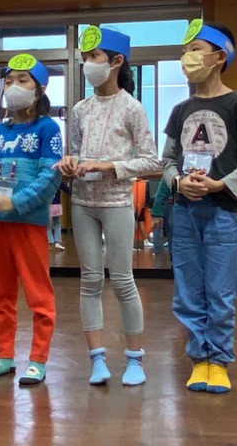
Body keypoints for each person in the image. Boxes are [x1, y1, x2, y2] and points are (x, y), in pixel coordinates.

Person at [161, 19, 237, 394]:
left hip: (223, 210)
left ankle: (219, 361)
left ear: (219, 57)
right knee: (187, 289)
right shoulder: (180, 110)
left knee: (221, 289)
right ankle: (199, 359)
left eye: (195, 50)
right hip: (183, 211)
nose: (186, 58)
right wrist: (178, 182)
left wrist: (223, 184)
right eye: (184, 52)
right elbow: (167, 160)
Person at [59, 25, 162, 387]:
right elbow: (74, 152)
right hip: (82, 203)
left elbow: (151, 161)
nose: (88, 64)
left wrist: (109, 167)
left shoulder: (132, 108)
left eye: (95, 57)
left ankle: (134, 360)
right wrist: (69, 164)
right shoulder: (81, 109)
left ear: (116, 61)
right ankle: (97, 360)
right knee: (89, 281)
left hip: (117, 202)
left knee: (122, 281)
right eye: (85, 57)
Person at [0, 53, 63, 386]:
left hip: (28, 224)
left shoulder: (48, 128)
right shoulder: (0, 131)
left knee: (38, 293)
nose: (13, 87)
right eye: (8, 80)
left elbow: (50, 177)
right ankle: (4, 356)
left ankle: (38, 360)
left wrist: (16, 203)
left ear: (39, 90)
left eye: (22, 80)